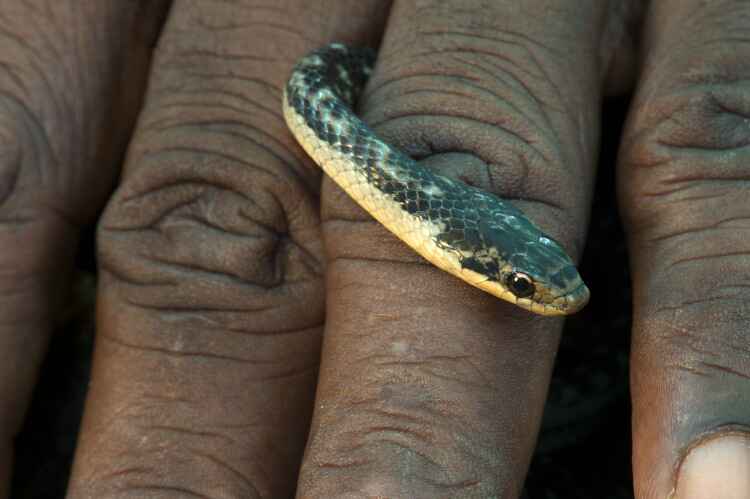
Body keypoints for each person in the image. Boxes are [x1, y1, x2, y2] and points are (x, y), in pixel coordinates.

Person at [2, 1, 749, 497]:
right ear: (465, 250)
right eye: (523, 284)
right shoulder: (378, 171)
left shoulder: (432, 200)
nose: (550, 299)